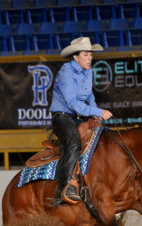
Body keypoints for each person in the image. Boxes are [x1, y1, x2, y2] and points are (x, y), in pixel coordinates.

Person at [49, 37, 113, 205]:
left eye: (91, 55)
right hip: (62, 117)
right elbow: (73, 103)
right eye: (86, 54)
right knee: (74, 143)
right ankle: (65, 187)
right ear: (76, 57)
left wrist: (95, 114)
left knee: (101, 138)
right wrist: (98, 111)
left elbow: (89, 95)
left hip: (78, 117)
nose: (89, 58)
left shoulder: (88, 71)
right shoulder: (66, 73)